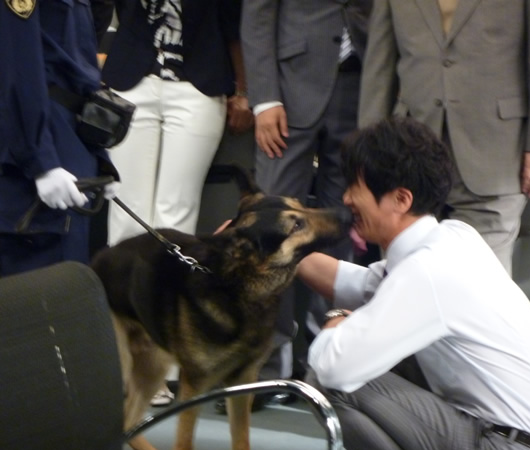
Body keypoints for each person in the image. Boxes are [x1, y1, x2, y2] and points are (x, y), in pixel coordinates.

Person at [298, 117, 530, 450]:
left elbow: (333, 366)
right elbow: (363, 282)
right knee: (367, 355)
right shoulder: (452, 238)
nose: (346, 198)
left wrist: (335, 322)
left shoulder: (426, 272)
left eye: (356, 187)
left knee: (329, 379)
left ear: (401, 199)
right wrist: (278, 249)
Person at [358, 0, 530, 275]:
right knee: (402, 280)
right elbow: (380, 65)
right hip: (408, 159)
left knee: (479, 286)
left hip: (494, 153)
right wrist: (366, 156)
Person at [241, 0, 372, 384]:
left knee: (344, 227)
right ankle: (266, 367)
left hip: (363, 85)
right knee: (269, 225)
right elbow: (258, 13)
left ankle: (325, 363)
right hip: (289, 86)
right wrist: (264, 99)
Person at [101, 0, 253, 246]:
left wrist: (244, 90)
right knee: (126, 207)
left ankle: (169, 283)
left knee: (176, 211)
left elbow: (232, 21)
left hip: (197, 87)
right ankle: (124, 284)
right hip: (131, 81)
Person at [0, 0, 119, 277]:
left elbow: (78, 68)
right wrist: (41, 162)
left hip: (71, 140)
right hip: (35, 142)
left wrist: (99, 155)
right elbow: (17, 68)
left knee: (69, 281)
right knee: (38, 291)